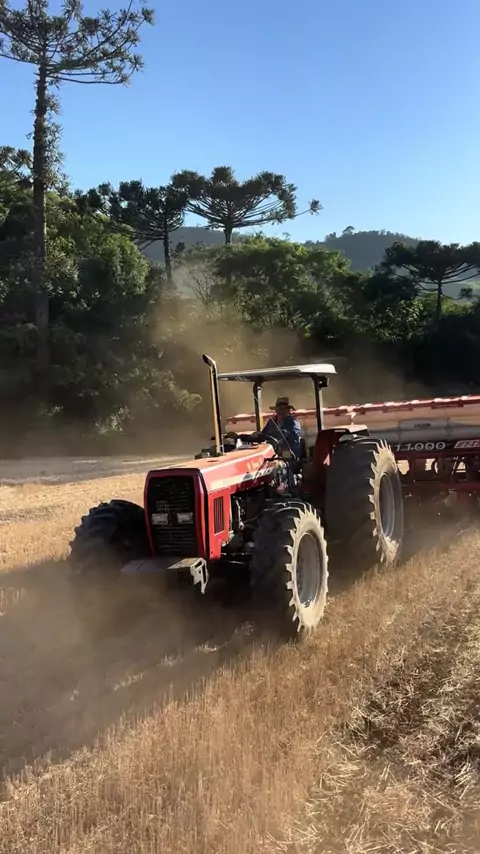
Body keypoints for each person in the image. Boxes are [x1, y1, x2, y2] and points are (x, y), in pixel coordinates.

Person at [239, 396, 303, 459]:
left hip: (289, 455)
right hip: (273, 453)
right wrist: (253, 436)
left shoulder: (293, 422)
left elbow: (281, 434)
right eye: (278, 409)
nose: (280, 411)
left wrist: (264, 436)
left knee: (278, 462)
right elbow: (263, 434)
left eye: (283, 409)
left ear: (288, 410)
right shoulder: (272, 421)